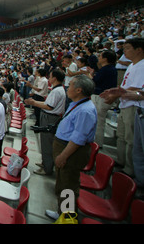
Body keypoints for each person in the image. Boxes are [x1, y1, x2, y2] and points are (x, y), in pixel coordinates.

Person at [45, 75, 97, 221]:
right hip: (64, 147)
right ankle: (62, 212)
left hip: (71, 152)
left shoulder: (85, 111)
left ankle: (67, 219)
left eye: (71, 85)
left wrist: (63, 155)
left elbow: (78, 138)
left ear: (79, 90)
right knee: (62, 183)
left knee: (68, 186)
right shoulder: (77, 104)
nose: (68, 87)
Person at [100, 38, 144, 177]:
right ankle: (121, 160)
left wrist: (116, 94)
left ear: (139, 50)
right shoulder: (132, 65)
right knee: (122, 136)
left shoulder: (142, 66)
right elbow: (125, 86)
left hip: (134, 105)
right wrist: (116, 91)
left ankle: (130, 170)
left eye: (128, 48)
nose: (124, 51)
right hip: (125, 103)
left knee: (131, 140)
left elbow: (137, 88)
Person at [25, 68, 66, 176]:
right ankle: (45, 162)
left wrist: (34, 102)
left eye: (50, 76)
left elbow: (49, 106)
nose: (49, 79)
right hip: (50, 116)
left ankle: (47, 168)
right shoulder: (57, 89)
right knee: (45, 142)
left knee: (47, 143)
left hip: (50, 117)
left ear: (55, 78)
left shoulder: (57, 91)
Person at [88, 50, 117, 148]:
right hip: (101, 96)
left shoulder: (107, 69)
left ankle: (97, 144)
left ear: (105, 59)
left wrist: (90, 75)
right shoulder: (109, 69)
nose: (98, 58)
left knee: (98, 122)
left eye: (100, 56)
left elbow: (94, 81)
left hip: (101, 97)